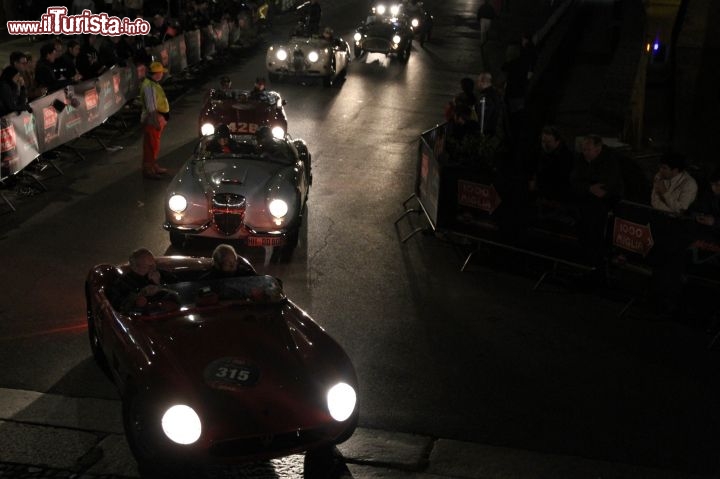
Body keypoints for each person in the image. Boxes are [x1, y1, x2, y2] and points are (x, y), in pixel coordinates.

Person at [570, 134, 625, 274]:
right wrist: (588, 188)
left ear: (598, 149)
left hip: (603, 205)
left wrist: (586, 187)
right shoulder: (582, 159)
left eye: (588, 149)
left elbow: (605, 187)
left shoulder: (610, 162)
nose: (585, 153)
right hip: (584, 203)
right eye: (584, 149)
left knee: (596, 233)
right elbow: (574, 181)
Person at [107, 248, 179, 312]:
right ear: (135, 268)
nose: (152, 269)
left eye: (153, 264)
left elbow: (178, 289)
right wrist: (138, 298)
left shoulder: (161, 274)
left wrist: (159, 283)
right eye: (148, 266)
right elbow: (117, 306)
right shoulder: (123, 283)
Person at [140, 61, 171, 179]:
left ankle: (153, 165)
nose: (162, 74)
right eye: (161, 72)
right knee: (151, 145)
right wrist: (155, 121)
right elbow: (151, 106)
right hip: (153, 119)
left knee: (154, 144)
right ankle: (149, 170)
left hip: (157, 118)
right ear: (157, 74)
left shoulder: (152, 83)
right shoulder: (149, 86)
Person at [476, 72, 504, 138]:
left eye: (478, 81)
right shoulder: (495, 94)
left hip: (487, 132)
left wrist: (482, 132)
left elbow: (484, 116)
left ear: (482, 81)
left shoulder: (485, 97)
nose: (477, 84)